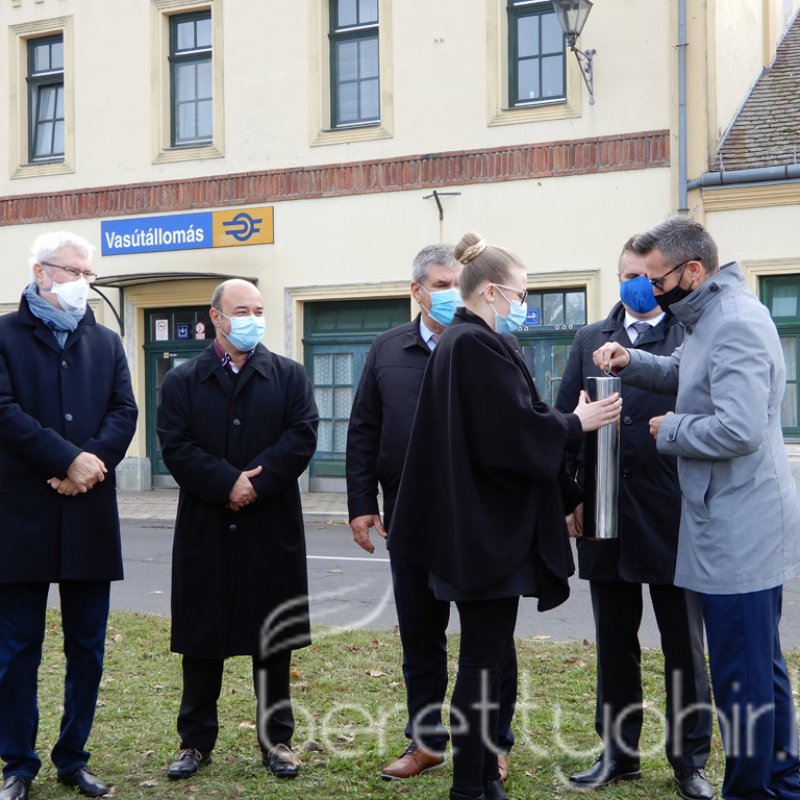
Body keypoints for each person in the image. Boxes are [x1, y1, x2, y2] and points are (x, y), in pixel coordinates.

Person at [389, 232, 621, 800]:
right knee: (481, 663)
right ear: (491, 291)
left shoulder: (471, 342)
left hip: (480, 530)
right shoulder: (472, 344)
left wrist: (566, 476)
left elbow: (516, 418)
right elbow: (509, 434)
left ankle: (479, 781)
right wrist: (577, 424)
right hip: (484, 534)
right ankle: (471, 786)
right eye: (520, 293)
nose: (525, 304)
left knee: (485, 659)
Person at [594, 216, 800, 800]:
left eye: (656, 280)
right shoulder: (711, 316)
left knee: (743, 677)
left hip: (740, 527)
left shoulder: (732, 322)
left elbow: (740, 429)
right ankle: (782, 780)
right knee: (760, 666)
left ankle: (752, 790)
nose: (650, 291)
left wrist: (672, 430)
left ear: (692, 271)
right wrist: (633, 363)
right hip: (734, 519)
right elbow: (687, 372)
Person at [346, 244, 517, 782]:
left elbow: (519, 426)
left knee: (490, 640)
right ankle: (426, 741)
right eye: (441, 284)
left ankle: (492, 744)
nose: (450, 293)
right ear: (416, 291)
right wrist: (361, 504)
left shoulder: (495, 343)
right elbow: (364, 429)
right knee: (420, 635)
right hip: (409, 517)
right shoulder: (387, 348)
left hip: (476, 522)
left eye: (457, 283)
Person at [555, 238, 713, 799]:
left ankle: (689, 760)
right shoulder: (588, 338)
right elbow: (564, 421)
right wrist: (569, 495)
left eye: (644, 275)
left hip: (673, 512)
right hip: (604, 512)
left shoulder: (690, 334)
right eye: (625, 274)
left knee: (683, 646)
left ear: (661, 278)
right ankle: (618, 754)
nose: (634, 284)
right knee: (614, 641)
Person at [156, 279, 318, 784]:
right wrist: (226, 482)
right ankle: (194, 740)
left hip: (270, 526)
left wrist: (255, 483)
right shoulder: (182, 380)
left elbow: (301, 436)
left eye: (259, 309)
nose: (252, 318)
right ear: (216, 317)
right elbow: (175, 445)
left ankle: (278, 741)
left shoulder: (288, 375)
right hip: (206, 525)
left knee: (273, 638)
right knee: (202, 639)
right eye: (242, 310)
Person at [0, 232, 138, 800]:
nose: (83, 283)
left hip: (88, 512)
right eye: (73, 271)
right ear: (40, 272)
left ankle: (73, 757)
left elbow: (124, 410)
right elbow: (3, 411)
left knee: (87, 647)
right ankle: (18, 764)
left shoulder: (105, 341)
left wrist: (90, 464)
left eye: (88, 274)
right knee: (16, 650)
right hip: (20, 514)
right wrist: (65, 459)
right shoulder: (4, 335)